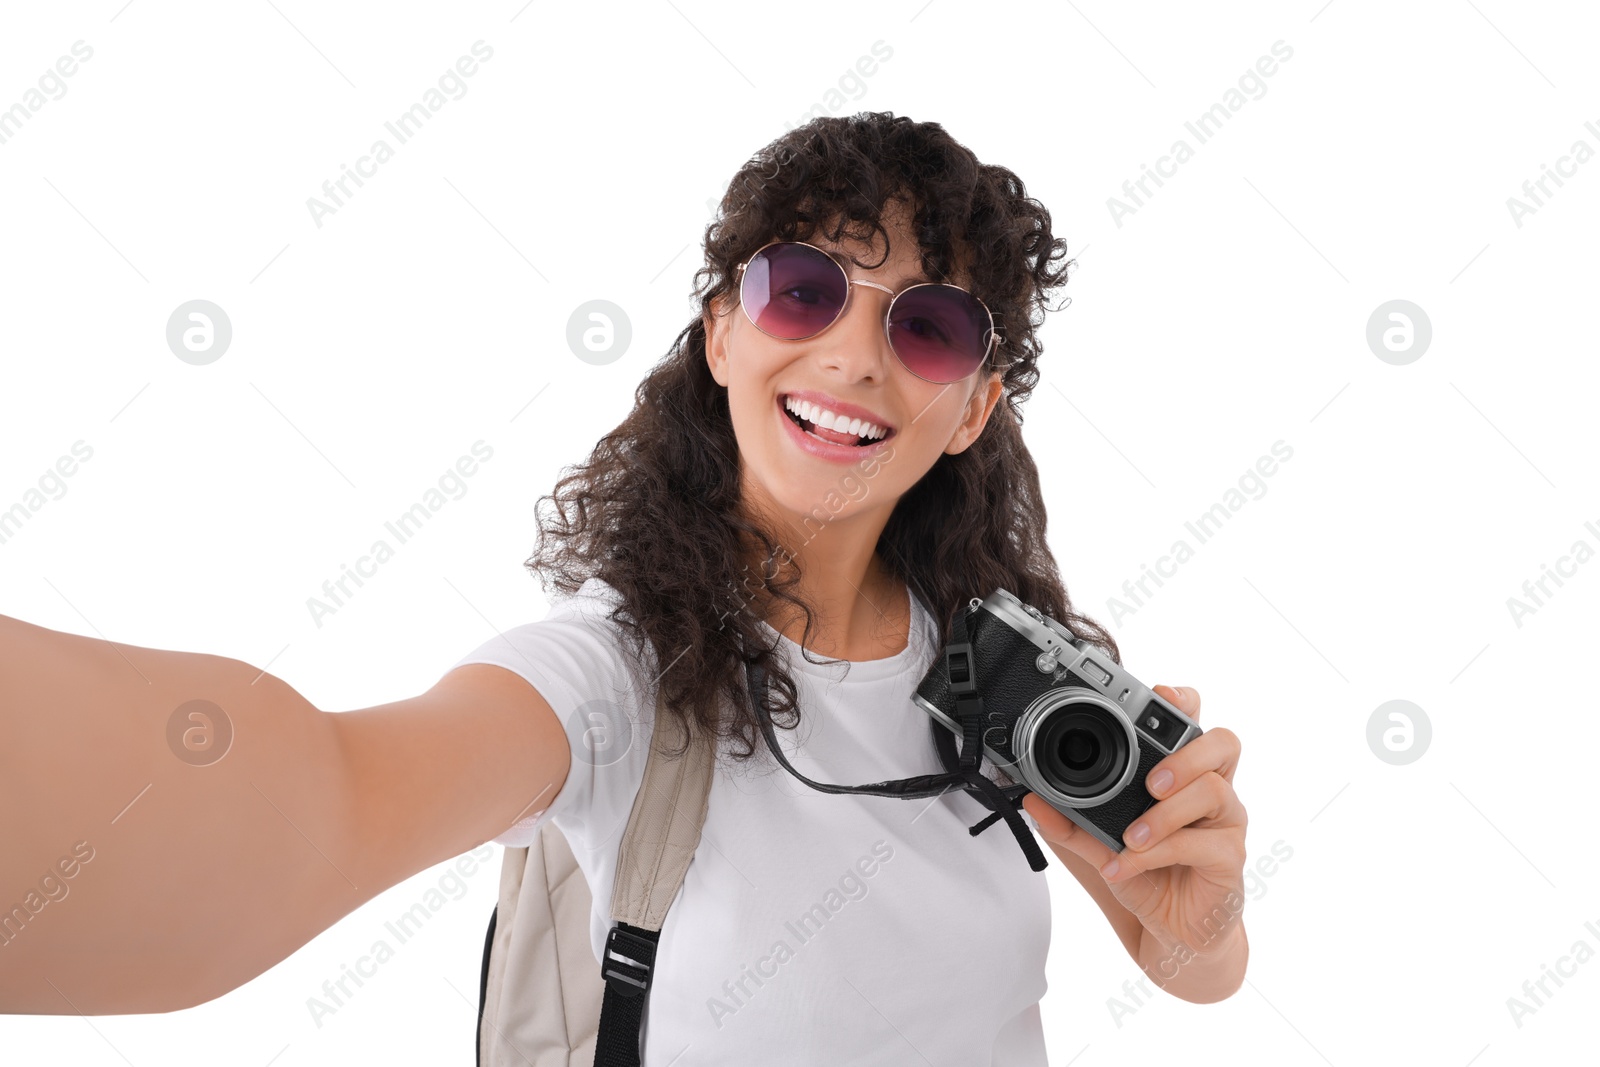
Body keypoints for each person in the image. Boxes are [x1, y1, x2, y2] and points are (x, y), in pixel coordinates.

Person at [0, 111, 1247, 1062]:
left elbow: (1197, 967)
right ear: (721, 333)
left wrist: (1190, 922)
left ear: (974, 405)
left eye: (926, 326)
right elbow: (318, 802)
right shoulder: (609, 676)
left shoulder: (998, 672)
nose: (854, 354)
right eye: (805, 290)